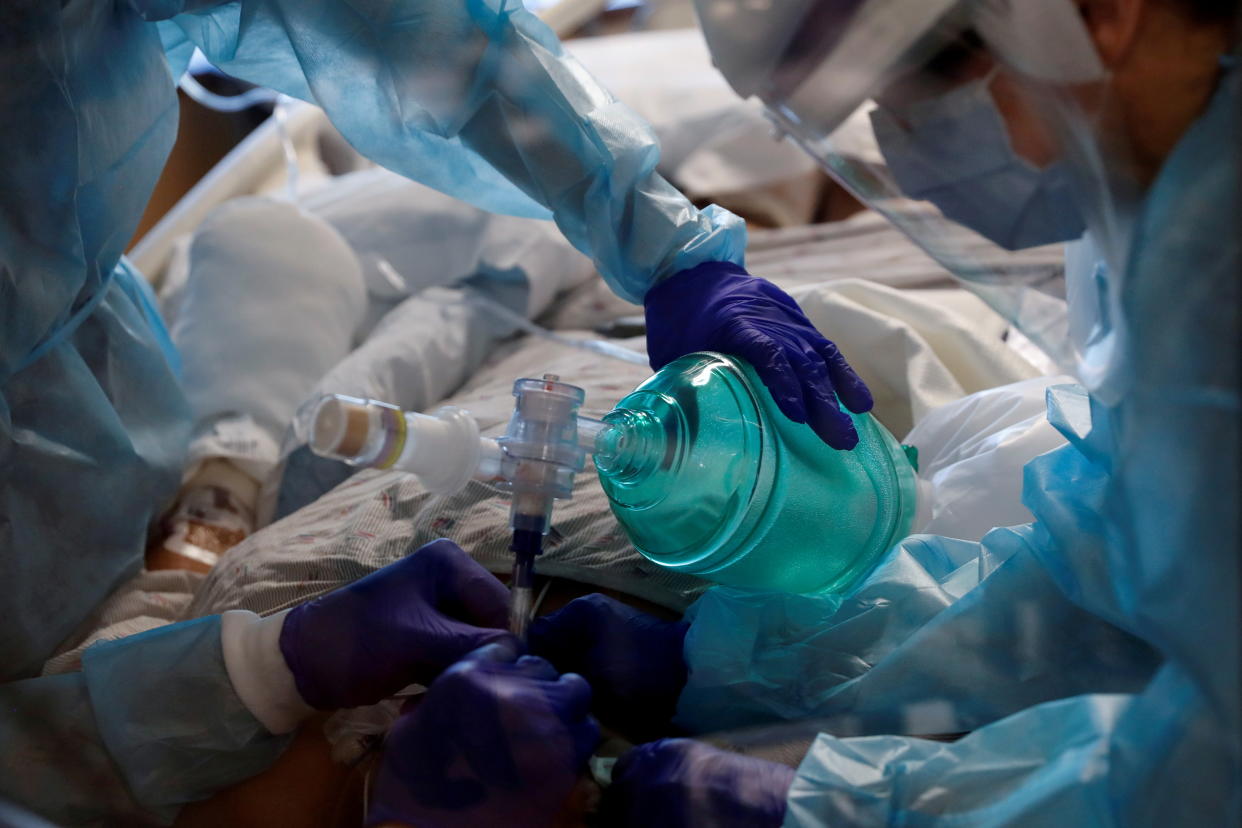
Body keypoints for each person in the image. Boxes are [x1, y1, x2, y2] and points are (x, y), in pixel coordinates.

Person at [366, 0, 1239, 825]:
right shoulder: (1179, 208)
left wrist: (849, 807)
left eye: (920, 97)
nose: (907, 154)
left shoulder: (1216, 280)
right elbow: (1116, 552)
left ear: (1102, 14)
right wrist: (747, 668)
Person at [1, 0, 866, 823]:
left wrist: (665, 246)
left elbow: (411, 30)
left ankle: (213, 497)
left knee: (271, 246)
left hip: (156, 521)